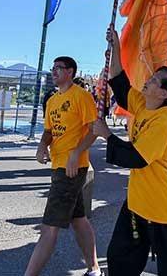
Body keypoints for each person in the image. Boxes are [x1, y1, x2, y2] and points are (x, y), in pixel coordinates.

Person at [91, 24, 167, 275]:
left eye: (154, 81)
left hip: (162, 211)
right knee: (120, 260)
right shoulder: (144, 105)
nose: (148, 81)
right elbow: (120, 85)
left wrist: (107, 134)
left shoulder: (163, 122)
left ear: (165, 93)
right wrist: (115, 46)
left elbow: (136, 158)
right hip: (136, 205)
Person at [25, 56, 102, 276]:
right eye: (53, 68)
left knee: (49, 227)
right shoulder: (52, 100)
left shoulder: (82, 96)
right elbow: (49, 131)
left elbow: (94, 130)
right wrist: (42, 146)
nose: (54, 71)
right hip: (58, 165)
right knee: (79, 219)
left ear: (70, 72)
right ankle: (95, 270)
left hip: (72, 169)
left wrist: (76, 154)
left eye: (59, 68)